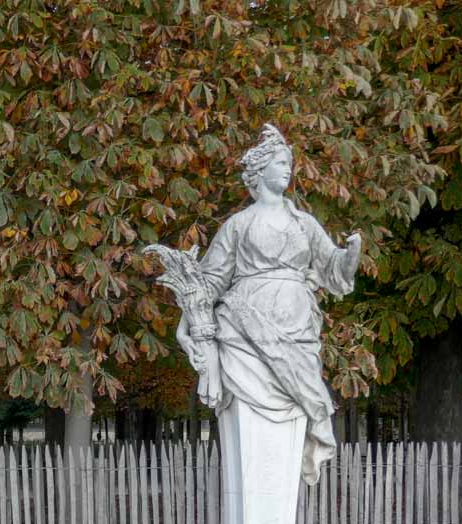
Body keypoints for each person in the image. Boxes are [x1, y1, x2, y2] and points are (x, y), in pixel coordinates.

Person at [149, 123, 360, 485]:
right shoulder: (239, 225)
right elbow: (210, 282)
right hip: (244, 330)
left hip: (297, 328)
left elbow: (332, 266)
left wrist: (350, 255)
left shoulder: (305, 224)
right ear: (260, 171)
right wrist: (189, 318)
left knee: (303, 397)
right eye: (280, 163)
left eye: (289, 163)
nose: (288, 169)